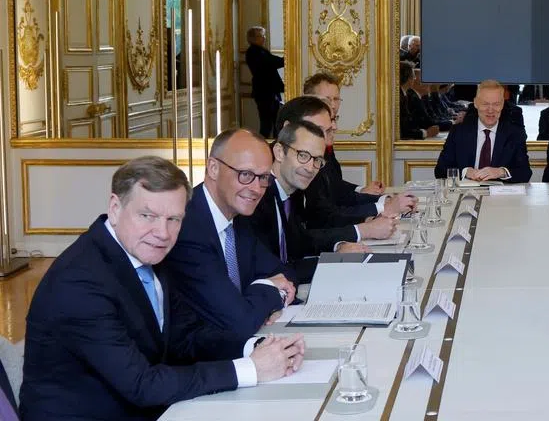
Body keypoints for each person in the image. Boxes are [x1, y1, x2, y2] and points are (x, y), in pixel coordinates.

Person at [21, 157, 305, 420]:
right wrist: (250, 369)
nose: (162, 233)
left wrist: (255, 348)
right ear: (115, 208)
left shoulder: (143, 253)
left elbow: (186, 339)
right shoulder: (80, 281)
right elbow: (142, 384)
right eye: (147, 216)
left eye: (174, 219)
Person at [163, 129, 297, 337]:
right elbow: (239, 321)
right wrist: (271, 289)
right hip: (195, 361)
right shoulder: (187, 225)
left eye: (263, 178)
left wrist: (261, 295)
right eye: (245, 175)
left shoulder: (239, 216)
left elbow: (284, 272)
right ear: (213, 168)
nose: (256, 189)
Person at [249, 121, 371, 284]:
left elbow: (300, 242)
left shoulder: (290, 192)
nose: (310, 168)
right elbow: (273, 271)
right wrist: (335, 261)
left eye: (317, 160)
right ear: (279, 152)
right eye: (303, 156)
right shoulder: (256, 199)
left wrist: (338, 248)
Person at [277, 95, 414, 230]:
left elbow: (336, 192)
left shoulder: (312, 161)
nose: (310, 167)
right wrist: (367, 227)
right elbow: (320, 218)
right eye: (317, 130)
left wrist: (374, 214)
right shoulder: (267, 186)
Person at [435, 79, 532, 182]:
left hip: (501, 196)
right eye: (485, 104)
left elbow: (525, 173)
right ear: (476, 103)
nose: (490, 110)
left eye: (496, 104)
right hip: (466, 195)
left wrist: (501, 172)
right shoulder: (459, 132)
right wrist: (465, 171)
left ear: (503, 104)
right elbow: (440, 171)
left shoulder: (515, 134)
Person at [244, 26, 284, 139]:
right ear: (254, 38)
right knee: (267, 123)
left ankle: (275, 142)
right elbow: (272, 62)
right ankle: (264, 145)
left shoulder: (260, 51)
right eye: (262, 36)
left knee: (275, 121)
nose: (264, 38)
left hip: (269, 91)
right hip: (265, 92)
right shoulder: (254, 52)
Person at [399, 62, 440, 139]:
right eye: (413, 76)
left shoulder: (404, 95)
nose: (414, 79)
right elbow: (404, 131)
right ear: (408, 78)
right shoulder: (402, 97)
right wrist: (425, 133)